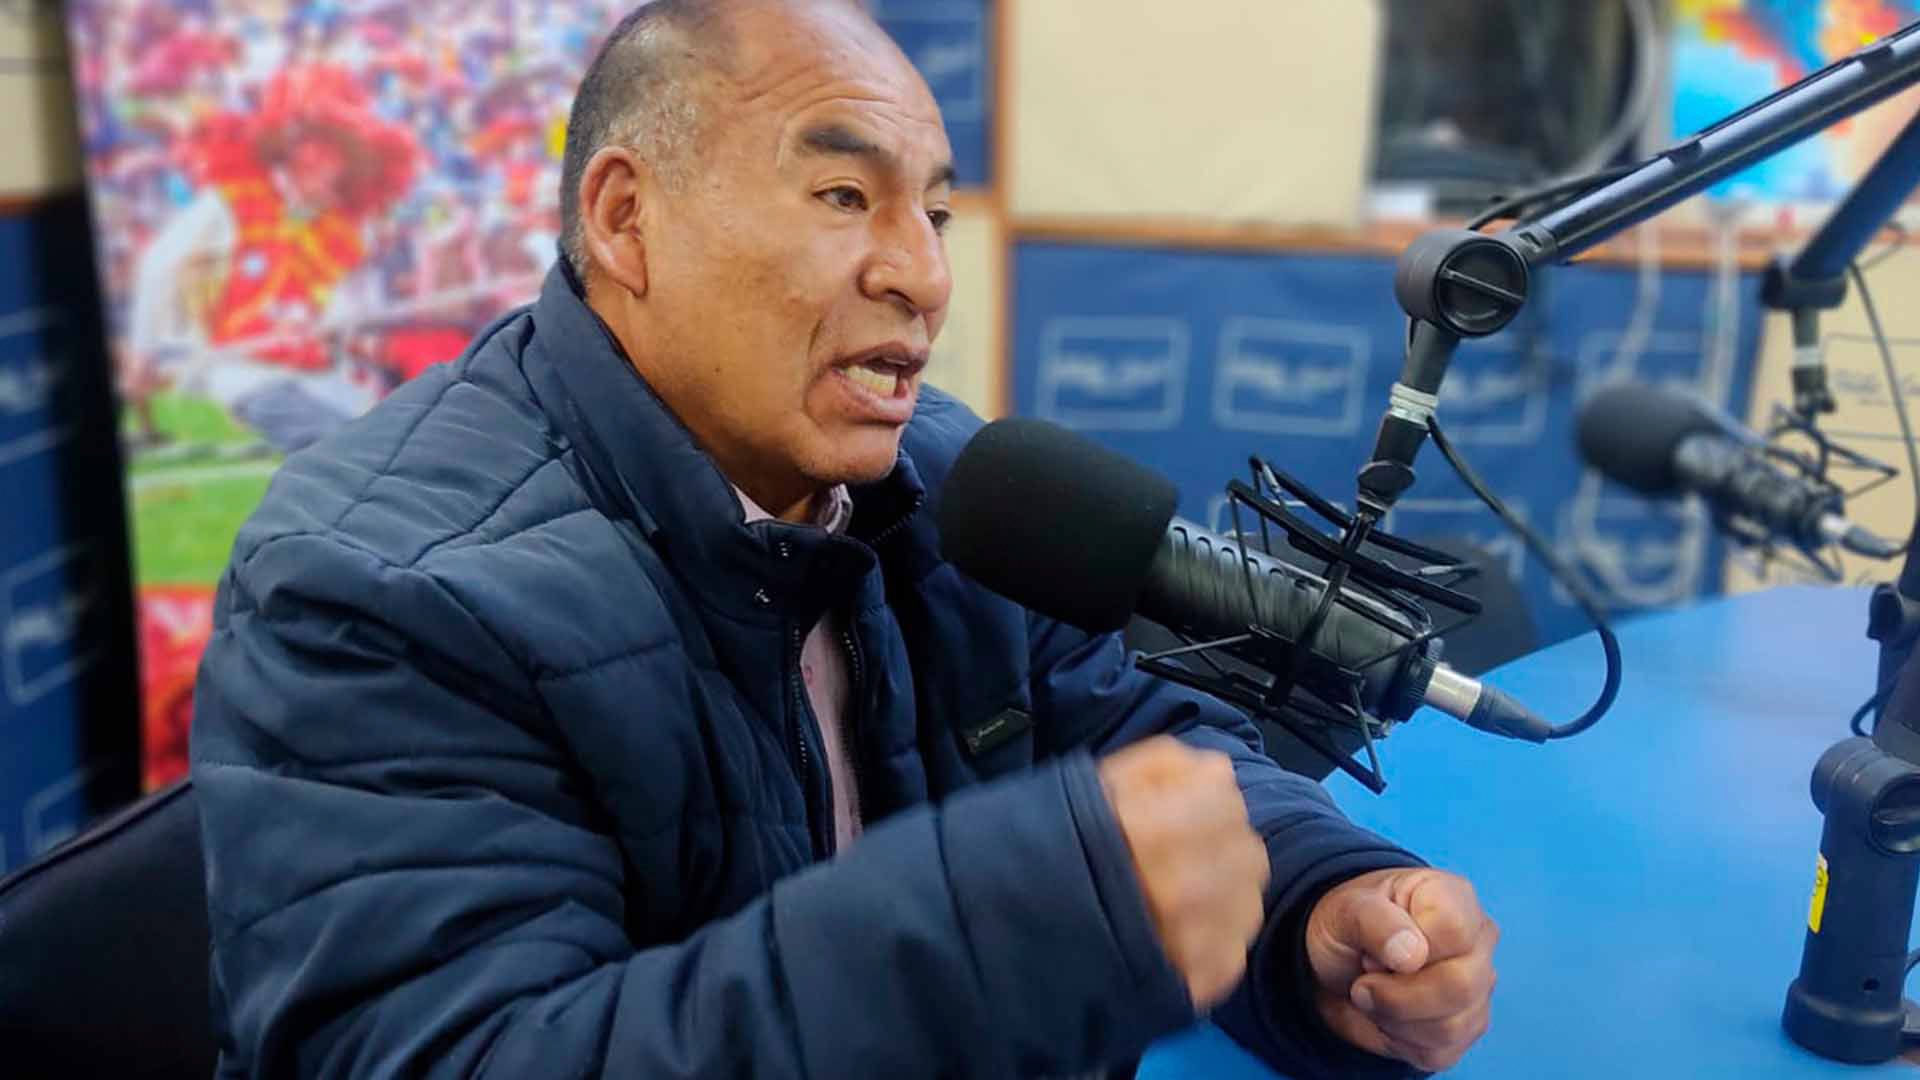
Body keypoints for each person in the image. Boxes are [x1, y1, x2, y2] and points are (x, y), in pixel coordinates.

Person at [190, 2, 1497, 1077]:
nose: (920, 273)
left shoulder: (941, 476)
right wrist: (1008, 928)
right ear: (626, 219)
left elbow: (1132, 741)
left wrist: (1319, 907)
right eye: (841, 194)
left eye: (933, 213)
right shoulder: (374, 593)